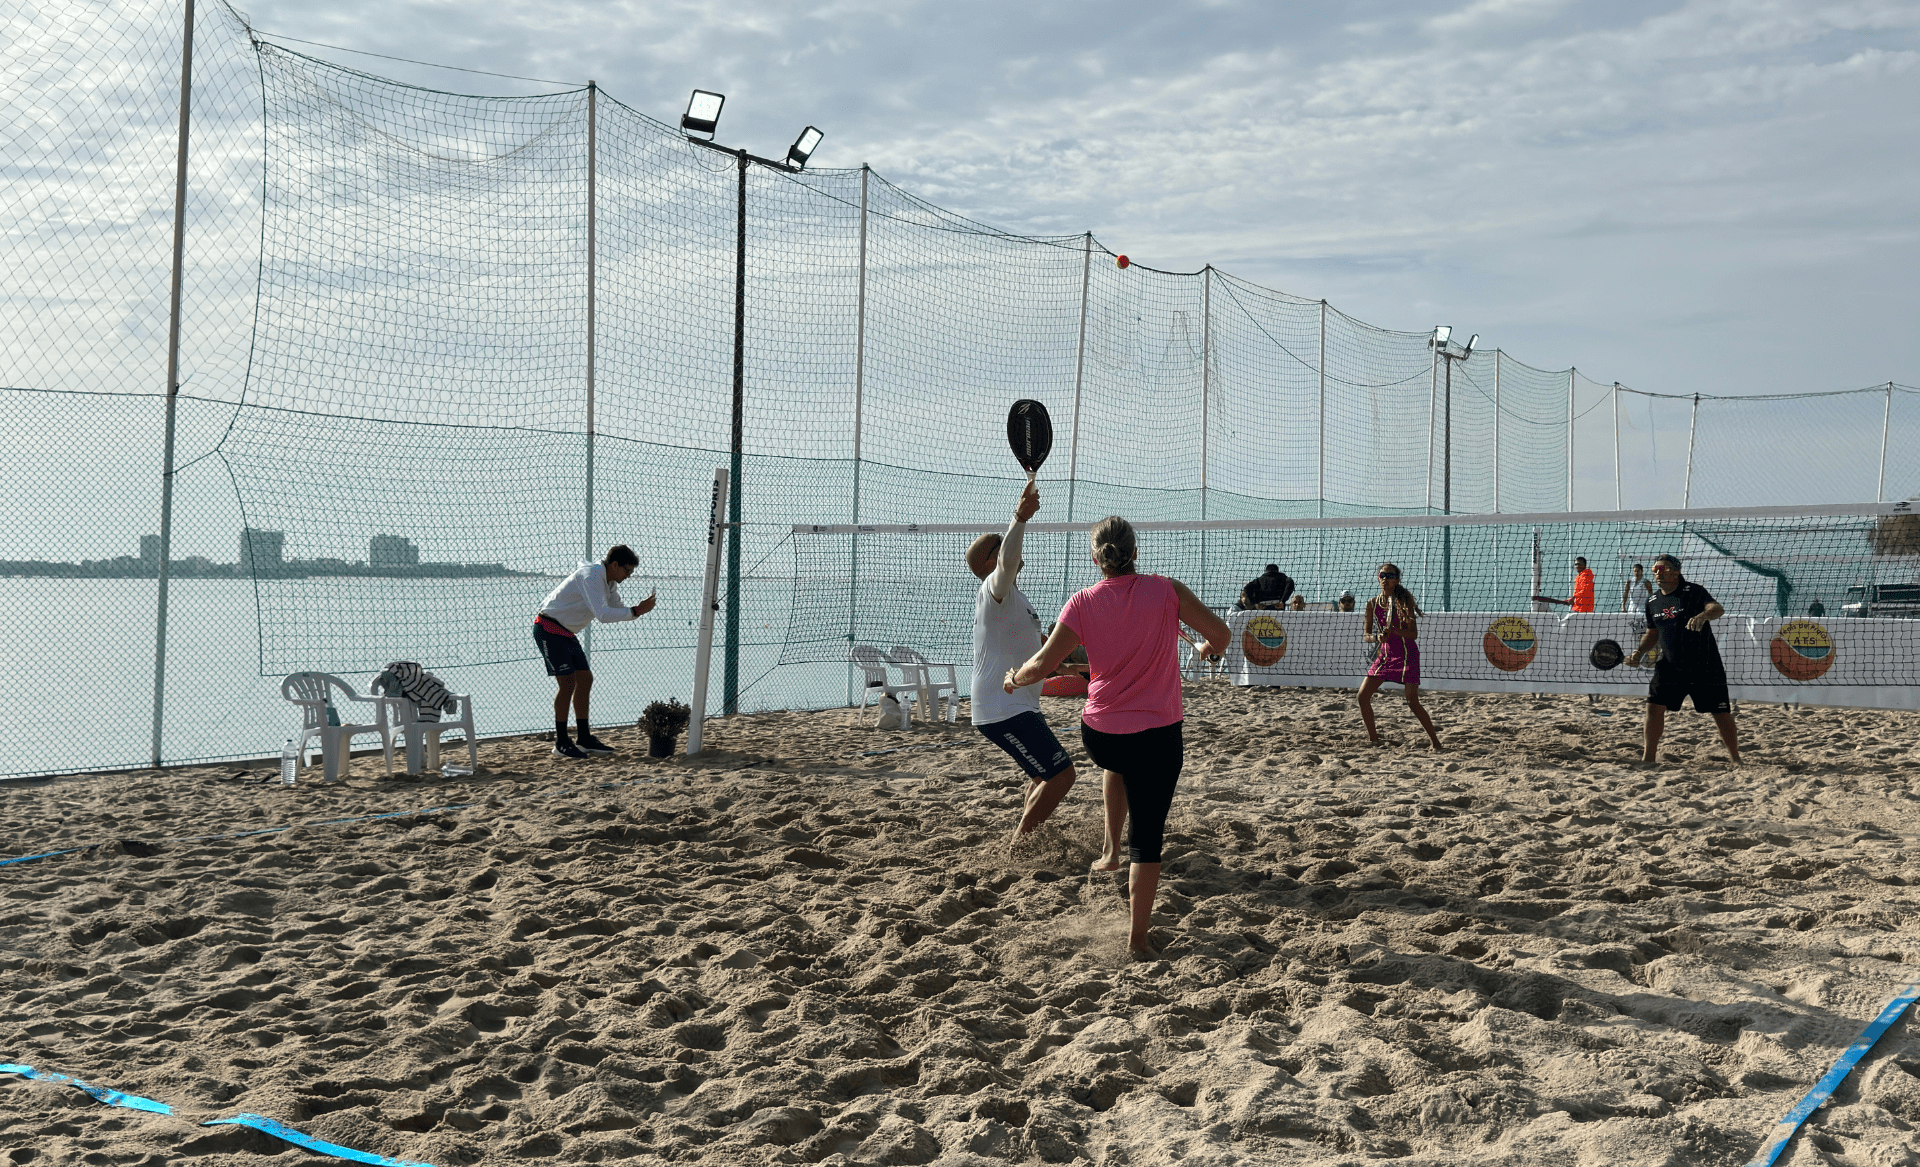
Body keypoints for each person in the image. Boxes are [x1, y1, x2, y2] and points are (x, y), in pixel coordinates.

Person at [1007, 515, 1229, 960]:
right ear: (1135, 553)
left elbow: (1043, 665)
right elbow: (1221, 635)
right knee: (1148, 836)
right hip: (1157, 733)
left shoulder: (1082, 601)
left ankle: (1110, 852)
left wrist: (1014, 678)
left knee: (1118, 763)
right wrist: (1211, 649)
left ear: (1096, 559)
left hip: (1102, 733)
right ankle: (1137, 940)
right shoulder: (1167, 590)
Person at [968, 481, 1078, 850]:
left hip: (1019, 705)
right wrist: (1019, 517)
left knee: (1042, 776)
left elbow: (1045, 653)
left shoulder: (1016, 598)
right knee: (1062, 775)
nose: (1008, 552)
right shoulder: (993, 590)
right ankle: (1020, 847)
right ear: (989, 563)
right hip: (1004, 708)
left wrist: (1083, 665)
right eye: (998, 549)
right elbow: (1008, 560)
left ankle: (1027, 839)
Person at [536, 544, 656, 759]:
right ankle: (561, 743)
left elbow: (616, 608)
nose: (629, 575)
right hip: (549, 628)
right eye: (627, 570)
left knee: (585, 680)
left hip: (566, 633)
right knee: (568, 684)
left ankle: (584, 738)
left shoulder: (609, 582)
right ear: (614, 564)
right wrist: (636, 611)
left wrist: (637, 610)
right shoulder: (592, 576)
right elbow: (602, 615)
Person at [1625, 554, 1739, 765]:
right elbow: (1652, 633)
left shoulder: (1693, 591)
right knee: (1653, 706)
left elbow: (1717, 609)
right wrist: (1638, 653)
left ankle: (1736, 759)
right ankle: (1648, 758)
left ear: (1676, 571)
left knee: (1721, 713)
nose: (1658, 572)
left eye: (1663, 568)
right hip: (1670, 666)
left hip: (1704, 665)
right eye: (1655, 569)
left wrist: (1702, 616)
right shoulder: (1652, 601)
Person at [1357, 563, 1442, 750]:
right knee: (1362, 697)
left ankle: (1435, 742)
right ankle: (1374, 741)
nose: (1385, 579)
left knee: (1412, 701)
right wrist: (1377, 637)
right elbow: (1366, 635)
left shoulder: (1403, 601)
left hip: (1407, 655)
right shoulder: (1371, 604)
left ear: (1396, 579)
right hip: (1386, 656)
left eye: (1389, 575)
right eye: (1382, 575)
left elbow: (1413, 634)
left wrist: (1394, 630)